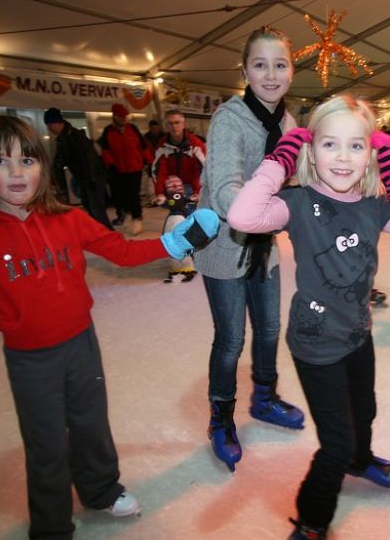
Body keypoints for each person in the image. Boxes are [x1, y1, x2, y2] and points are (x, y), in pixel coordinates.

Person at [0, 115, 218, 538]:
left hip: (80, 344)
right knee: (46, 444)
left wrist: (173, 242)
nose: (17, 173)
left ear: (43, 166)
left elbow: (120, 252)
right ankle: (51, 527)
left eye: (27, 160)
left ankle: (100, 489)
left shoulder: (66, 218)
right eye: (1, 161)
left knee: (91, 425)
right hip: (30, 360)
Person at [227, 95, 390, 540]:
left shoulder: (375, 203)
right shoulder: (298, 202)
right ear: (310, 151)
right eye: (329, 144)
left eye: (356, 146)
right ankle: (312, 520)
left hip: (358, 332)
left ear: (372, 155)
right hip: (316, 340)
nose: (343, 157)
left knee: (365, 410)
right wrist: (279, 160)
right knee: (335, 443)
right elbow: (242, 216)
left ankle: (361, 461)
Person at [193, 26, 305, 473]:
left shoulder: (290, 124)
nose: (271, 75)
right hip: (224, 244)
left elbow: (298, 178)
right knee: (231, 339)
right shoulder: (229, 118)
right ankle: (220, 418)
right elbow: (224, 189)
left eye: (280, 65)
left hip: (264, 244)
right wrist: (275, 212)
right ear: (244, 71)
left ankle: (264, 398)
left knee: (270, 328)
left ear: (292, 71)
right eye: (260, 65)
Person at [152, 109, 206, 282]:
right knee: (175, 219)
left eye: (177, 122)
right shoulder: (162, 146)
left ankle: (197, 253)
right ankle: (180, 258)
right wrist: (160, 193)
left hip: (192, 187)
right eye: (170, 123)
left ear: (183, 124)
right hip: (173, 187)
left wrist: (198, 192)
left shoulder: (195, 144)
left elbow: (202, 169)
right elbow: (159, 171)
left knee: (192, 217)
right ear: (166, 125)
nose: (174, 126)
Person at [43, 108, 113, 229]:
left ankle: (108, 234)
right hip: (84, 179)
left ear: (57, 122)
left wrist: (92, 178)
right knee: (90, 208)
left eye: (49, 125)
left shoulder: (75, 135)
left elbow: (89, 157)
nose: (49, 128)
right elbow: (59, 161)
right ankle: (100, 233)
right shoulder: (63, 138)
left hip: (92, 178)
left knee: (96, 210)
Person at [98, 103, 153, 235]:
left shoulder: (133, 129)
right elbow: (105, 150)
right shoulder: (108, 131)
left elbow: (143, 146)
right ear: (114, 116)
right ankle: (127, 214)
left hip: (135, 168)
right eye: (120, 116)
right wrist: (110, 164)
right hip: (118, 170)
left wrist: (150, 162)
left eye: (125, 116)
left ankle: (137, 218)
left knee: (134, 195)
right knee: (120, 197)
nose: (123, 119)